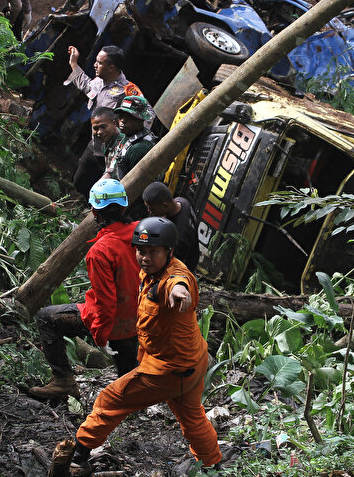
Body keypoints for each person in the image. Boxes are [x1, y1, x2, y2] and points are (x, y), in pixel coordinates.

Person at [66, 217, 222, 475]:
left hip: (171, 369)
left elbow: (178, 283)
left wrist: (179, 292)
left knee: (111, 398)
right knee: (192, 416)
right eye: (140, 251)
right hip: (189, 363)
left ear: (169, 252)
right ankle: (213, 465)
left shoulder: (174, 277)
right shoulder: (151, 273)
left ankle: (79, 454)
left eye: (153, 252)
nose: (145, 258)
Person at [28, 179, 140, 399]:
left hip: (114, 323)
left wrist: (100, 336)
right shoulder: (140, 232)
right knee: (128, 377)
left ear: (94, 211)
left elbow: (106, 303)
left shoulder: (100, 251)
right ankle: (134, 397)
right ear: (124, 206)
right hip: (138, 317)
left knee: (46, 318)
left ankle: (63, 382)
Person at [64, 45, 144, 113]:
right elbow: (86, 85)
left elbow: (146, 116)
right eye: (96, 61)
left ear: (111, 68)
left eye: (99, 63)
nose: (95, 65)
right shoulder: (99, 81)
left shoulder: (128, 90)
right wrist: (73, 63)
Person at [142, 181, 199, 271]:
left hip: (182, 270)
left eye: (151, 208)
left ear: (164, 205)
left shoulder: (180, 235)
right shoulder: (182, 201)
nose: (149, 210)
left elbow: (172, 265)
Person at [71, 107, 122, 198]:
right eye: (95, 128)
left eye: (103, 127)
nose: (99, 132)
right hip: (94, 151)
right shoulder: (98, 138)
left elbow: (110, 173)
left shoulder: (122, 144)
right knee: (78, 181)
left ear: (114, 124)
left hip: (110, 163)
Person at [106, 95, 157, 181]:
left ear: (141, 119)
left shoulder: (139, 149)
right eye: (121, 116)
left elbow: (135, 184)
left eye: (129, 117)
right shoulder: (128, 136)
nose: (123, 120)